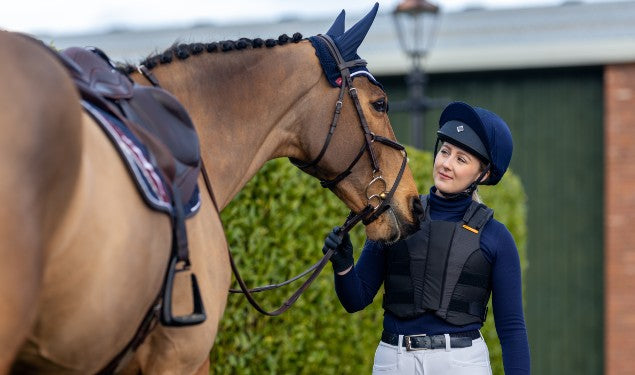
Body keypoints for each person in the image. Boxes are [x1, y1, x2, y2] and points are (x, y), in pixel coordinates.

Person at [323, 101, 530, 374]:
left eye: (461, 159)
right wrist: (343, 263)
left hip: (460, 364)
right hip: (393, 361)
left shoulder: (496, 237)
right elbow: (355, 299)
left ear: (484, 174)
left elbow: (512, 329)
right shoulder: (396, 216)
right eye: (445, 151)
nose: (446, 164)